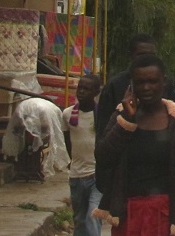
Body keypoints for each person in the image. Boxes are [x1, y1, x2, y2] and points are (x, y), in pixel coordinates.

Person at [94, 54, 175, 236]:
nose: (146, 87)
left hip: (166, 217)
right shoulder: (121, 116)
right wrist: (127, 121)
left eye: (152, 81)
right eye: (140, 82)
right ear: (132, 85)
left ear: (163, 82)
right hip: (127, 215)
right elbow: (103, 158)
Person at [95, 33, 175, 144]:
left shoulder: (164, 83)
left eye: (151, 55)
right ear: (131, 55)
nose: (146, 87)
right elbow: (102, 132)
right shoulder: (114, 86)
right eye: (141, 55)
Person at [63, 74, 103, 236]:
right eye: (80, 87)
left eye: (87, 89)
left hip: (97, 176)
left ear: (96, 91)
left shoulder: (101, 115)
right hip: (77, 176)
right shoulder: (68, 114)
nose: (81, 92)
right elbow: (68, 142)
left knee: (93, 216)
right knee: (79, 219)